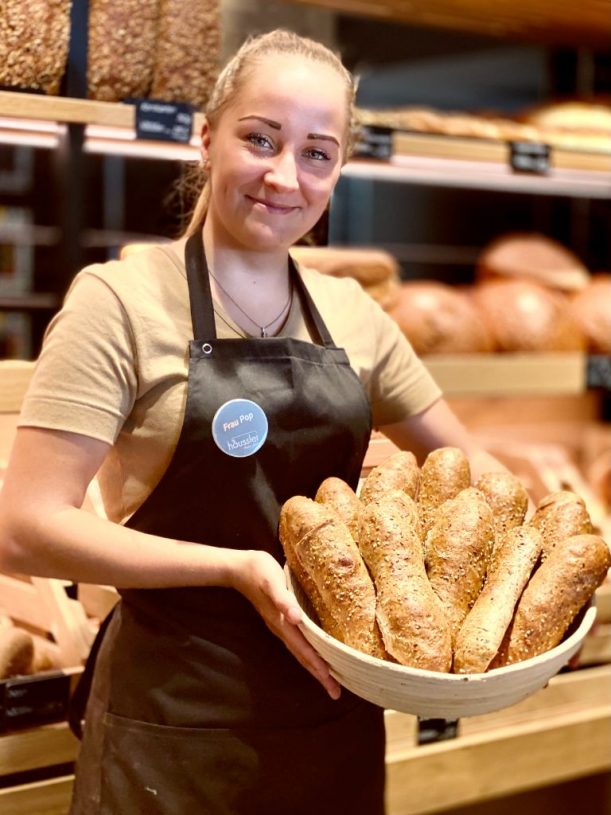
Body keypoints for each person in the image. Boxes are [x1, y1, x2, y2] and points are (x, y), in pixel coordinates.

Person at [0, 29, 512, 815]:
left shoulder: (353, 316)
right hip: (177, 717)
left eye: (317, 153)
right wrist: (235, 568)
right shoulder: (120, 303)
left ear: (338, 169)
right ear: (205, 137)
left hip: (334, 710)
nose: (284, 176)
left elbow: (477, 477)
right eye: (260, 139)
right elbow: (23, 526)